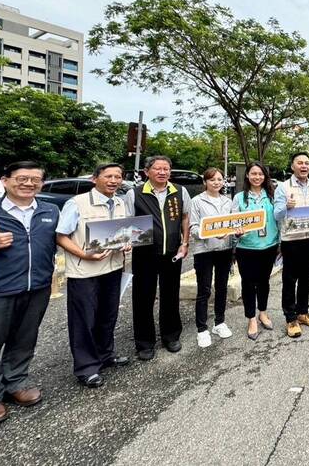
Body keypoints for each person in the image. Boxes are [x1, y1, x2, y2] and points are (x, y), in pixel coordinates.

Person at [0, 161, 59, 425]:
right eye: (22, 178)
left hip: (38, 286)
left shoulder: (50, 210)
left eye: (35, 179)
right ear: (5, 181)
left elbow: (63, 240)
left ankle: (16, 382)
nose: (29, 183)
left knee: (25, 338)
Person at [55, 163, 130, 389]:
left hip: (113, 268)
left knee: (108, 315)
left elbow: (121, 232)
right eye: (108, 176)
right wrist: (84, 254)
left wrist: (127, 243)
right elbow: (61, 236)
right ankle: (87, 367)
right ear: (94, 179)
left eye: (118, 176)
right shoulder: (77, 203)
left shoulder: (119, 203)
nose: (114, 180)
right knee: (83, 319)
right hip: (84, 271)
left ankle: (106, 354)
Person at [123, 155, 191, 361]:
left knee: (171, 294)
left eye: (166, 169)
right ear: (147, 172)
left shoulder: (179, 191)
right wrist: (126, 241)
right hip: (144, 253)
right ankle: (144, 342)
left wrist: (184, 242)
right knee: (143, 297)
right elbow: (127, 221)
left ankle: (170, 336)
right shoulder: (134, 193)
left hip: (172, 252)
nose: (163, 172)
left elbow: (186, 217)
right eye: (158, 169)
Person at [273, 152, 309, 339]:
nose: (304, 166)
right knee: (289, 280)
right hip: (290, 241)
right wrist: (286, 205)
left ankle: (303, 312)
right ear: (292, 166)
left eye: (307, 163)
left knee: (306, 278)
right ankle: (290, 318)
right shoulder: (283, 187)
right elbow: (276, 215)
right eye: (300, 163)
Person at [233, 162, 280, 340]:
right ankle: (251, 318)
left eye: (260, 174)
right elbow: (233, 221)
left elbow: (279, 219)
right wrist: (236, 231)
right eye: (254, 174)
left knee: (264, 282)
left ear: (265, 176)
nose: (257, 177)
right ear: (247, 176)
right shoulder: (239, 198)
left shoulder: (272, 195)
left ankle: (263, 312)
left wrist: (280, 243)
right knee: (248, 283)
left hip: (269, 246)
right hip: (247, 247)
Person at [189, 168, 235, 348]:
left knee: (222, 287)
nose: (216, 182)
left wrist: (234, 233)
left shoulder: (228, 201)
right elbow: (193, 228)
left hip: (224, 249)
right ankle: (202, 329)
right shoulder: (197, 201)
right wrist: (212, 233)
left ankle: (219, 322)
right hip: (204, 251)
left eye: (219, 179)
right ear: (205, 182)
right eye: (212, 180)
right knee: (204, 290)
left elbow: (233, 223)